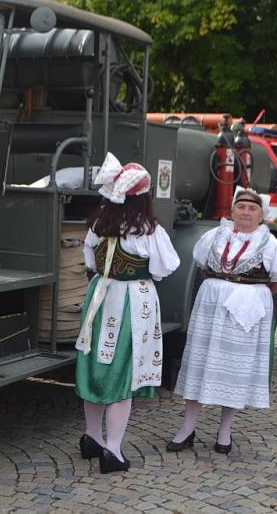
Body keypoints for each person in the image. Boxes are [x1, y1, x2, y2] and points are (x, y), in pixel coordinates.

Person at [75, 152, 180, 474]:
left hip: (100, 296)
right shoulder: (149, 230)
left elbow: (90, 262)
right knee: (123, 372)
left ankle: (91, 437)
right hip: (133, 300)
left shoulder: (98, 224)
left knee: (96, 366)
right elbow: (166, 267)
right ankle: (113, 449)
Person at [168, 187, 277, 454]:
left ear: (262, 214)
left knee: (234, 369)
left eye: (252, 208)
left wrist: (256, 295)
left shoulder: (270, 244)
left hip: (245, 311)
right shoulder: (214, 235)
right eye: (241, 207)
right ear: (233, 210)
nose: (246, 212)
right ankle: (187, 428)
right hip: (211, 307)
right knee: (200, 362)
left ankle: (225, 431)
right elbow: (202, 266)